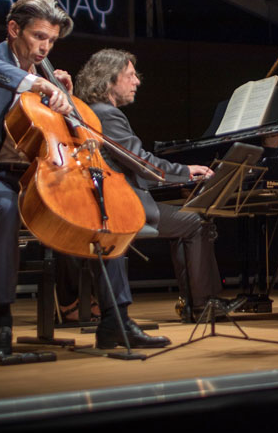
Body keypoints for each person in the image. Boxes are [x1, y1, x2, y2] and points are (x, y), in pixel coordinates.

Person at [0, 0, 169, 359]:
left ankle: (115, 321)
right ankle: (2, 326)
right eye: (39, 36)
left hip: (31, 175)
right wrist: (38, 84)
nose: (45, 47)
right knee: (4, 205)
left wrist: (63, 96)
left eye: (51, 40)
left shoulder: (46, 74)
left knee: (100, 208)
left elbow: (58, 136)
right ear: (13, 29)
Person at [75, 48, 224, 322]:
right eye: (130, 75)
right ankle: (204, 305)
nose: (137, 82)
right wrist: (185, 172)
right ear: (109, 78)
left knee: (188, 221)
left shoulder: (94, 111)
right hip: (121, 207)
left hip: (112, 200)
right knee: (196, 222)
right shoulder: (106, 114)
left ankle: (195, 304)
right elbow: (141, 162)